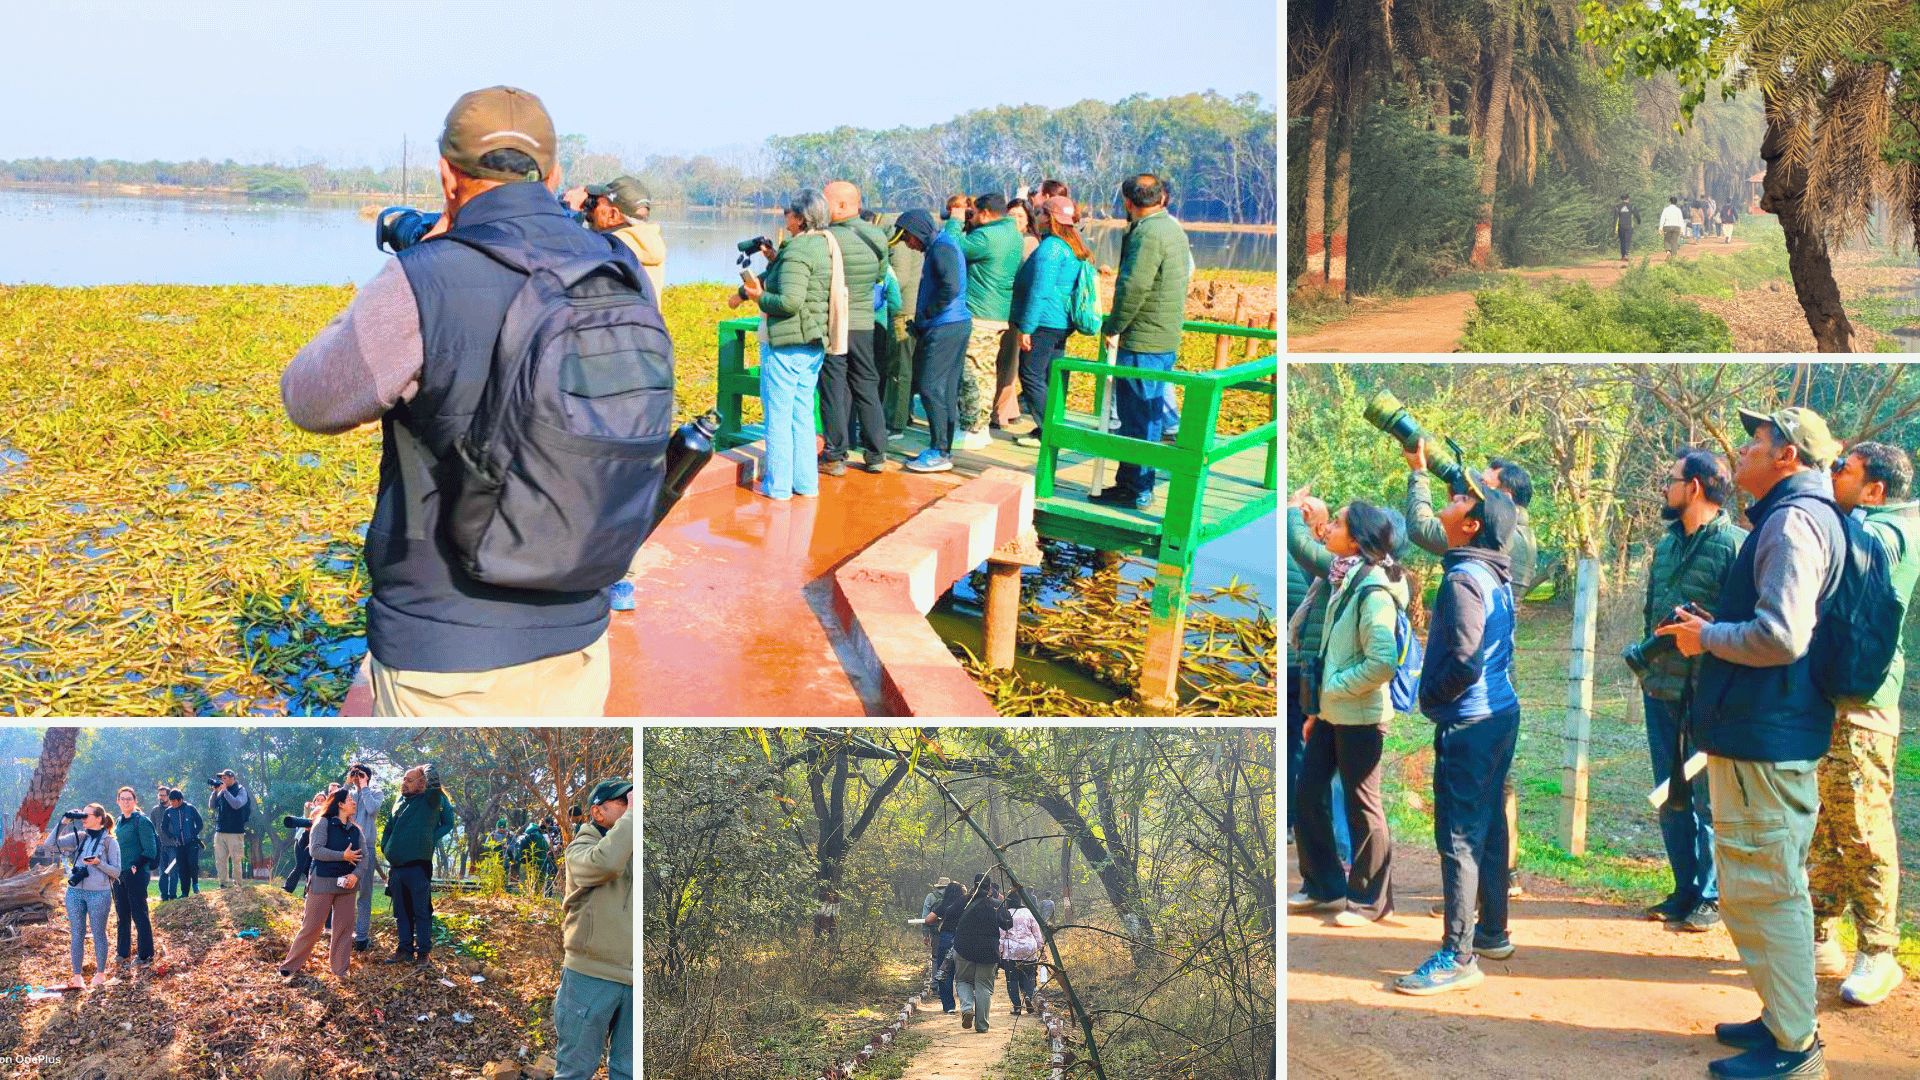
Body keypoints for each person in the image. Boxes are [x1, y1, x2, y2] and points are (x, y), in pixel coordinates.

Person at [281, 86, 653, 718]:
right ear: (553, 177)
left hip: (447, 655)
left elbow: (310, 398)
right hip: (579, 638)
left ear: (447, 177)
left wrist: (407, 266)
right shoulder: (619, 266)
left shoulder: (424, 275)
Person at [1657, 406, 1845, 1080]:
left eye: (1754, 441)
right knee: (1758, 885)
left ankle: (1796, 1048)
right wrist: (1717, 625)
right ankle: (1779, 1017)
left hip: (1767, 736)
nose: (1739, 451)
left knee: (1768, 890)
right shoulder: (1799, 516)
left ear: (1787, 455)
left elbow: (1783, 636)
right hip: (1766, 729)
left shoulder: (1792, 522)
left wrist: (1705, 637)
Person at [1394, 475, 1520, 996]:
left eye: (1462, 499)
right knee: (1488, 825)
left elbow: (1465, 661)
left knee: (1459, 838)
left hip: (1470, 723)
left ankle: (1458, 955)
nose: (1452, 499)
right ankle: (1492, 932)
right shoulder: (1494, 572)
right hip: (1500, 715)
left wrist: (1431, 696)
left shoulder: (1464, 578)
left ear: (1471, 526)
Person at [1811, 440, 1918, 1006]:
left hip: (1864, 708)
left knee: (1861, 827)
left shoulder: (1891, 530)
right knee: (1823, 825)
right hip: (1832, 699)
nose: (1831, 475)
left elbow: (1853, 550)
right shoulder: (1865, 521)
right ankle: (1821, 936)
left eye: (1841, 469)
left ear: (1874, 489)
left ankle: (1879, 952)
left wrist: (1809, 494)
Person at [1405, 445, 1535, 902]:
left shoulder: (1476, 563)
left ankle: (1472, 898)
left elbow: (1423, 529)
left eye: (1483, 486)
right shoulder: (1513, 535)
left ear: (1502, 500)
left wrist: (1419, 475)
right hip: (1496, 674)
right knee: (1495, 791)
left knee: (1469, 811)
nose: (1471, 487)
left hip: (1477, 683)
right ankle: (1495, 892)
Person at [1626, 449, 1745, 933]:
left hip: (1710, 696)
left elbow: (1745, 627)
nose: (1664, 487)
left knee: (1707, 801)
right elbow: (1651, 613)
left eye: (1671, 479)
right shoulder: (1665, 546)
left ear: (1694, 487)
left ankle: (1713, 897)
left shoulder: (1738, 546)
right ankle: (1684, 890)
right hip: (1660, 690)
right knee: (1670, 795)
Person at [1285, 498, 1403, 926]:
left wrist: (1335, 687)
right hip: (1333, 713)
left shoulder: (1372, 590)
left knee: (1362, 804)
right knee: (1307, 792)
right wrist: (1320, 708)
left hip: (1361, 716)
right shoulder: (1342, 579)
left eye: (1336, 523)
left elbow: (1382, 662)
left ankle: (1370, 900)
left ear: (1356, 541)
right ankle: (1324, 884)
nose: (1328, 528)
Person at [727, 190, 840, 500]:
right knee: (801, 417)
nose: (785, 217)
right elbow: (801, 284)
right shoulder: (822, 245)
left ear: (800, 218)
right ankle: (805, 484)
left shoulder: (798, 251)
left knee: (778, 418)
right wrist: (775, 260)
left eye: (789, 213)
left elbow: (789, 302)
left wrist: (758, 297)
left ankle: (777, 487)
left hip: (787, 344)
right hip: (812, 344)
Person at [1091, 174, 1191, 511]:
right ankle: (1133, 483)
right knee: (1147, 414)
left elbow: (1133, 287)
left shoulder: (1147, 233)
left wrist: (1114, 325)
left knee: (1138, 417)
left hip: (1143, 340)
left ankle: (1137, 488)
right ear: (1161, 198)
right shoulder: (1172, 228)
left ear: (1128, 202)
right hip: (1163, 336)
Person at [556, 778, 633, 1080]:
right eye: (624, 801)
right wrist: (633, 815)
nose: (632, 806)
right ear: (598, 812)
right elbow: (607, 864)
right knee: (575, 1071)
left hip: (634, 979)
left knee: (628, 1072)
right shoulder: (581, 847)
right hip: (589, 975)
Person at [819, 181, 894, 477]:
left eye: (825, 201)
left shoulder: (826, 238)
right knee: (866, 385)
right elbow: (879, 275)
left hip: (835, 322)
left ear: (841, 206)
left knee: (834, 388)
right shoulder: (877, 235)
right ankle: (876, 454)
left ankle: (836, 455)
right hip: (864, 322)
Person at [893, 209, 970, 474]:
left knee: (929, 387)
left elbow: (952, 287)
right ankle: (943, 448)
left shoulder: (941, 248)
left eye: (908, 238)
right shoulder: (942, 244)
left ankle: (940, 451)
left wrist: (927, 313)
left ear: (918, 232)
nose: (908, 245)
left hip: (946, 326)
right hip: (953, 325)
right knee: (946, 390)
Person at [1011, 196, 1089, 449]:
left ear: (1048, 217)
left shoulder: (1052, 247)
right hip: (1061, 322)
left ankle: (1052, 431)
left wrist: (1027, 327)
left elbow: (1040, 291)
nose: (1038, 217)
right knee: (1049, 377)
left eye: (1041, 213)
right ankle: (1049, 428)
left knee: (1030, 374)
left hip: (1045, 321)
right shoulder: (1072, 244)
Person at [955, 193, 1025, 450]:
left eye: (973, 213)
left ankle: (971, 429)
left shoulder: (986, 236)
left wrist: (955, 220)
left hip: (980, 314)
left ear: (985, 214)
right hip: (997, 314)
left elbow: (953, 247)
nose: (971, 217)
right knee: (985, 372)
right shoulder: (1013, 234)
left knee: (972, 373)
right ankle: (980, 427)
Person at [278, 788, 365, 980]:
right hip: (322, 883)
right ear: (340, 804)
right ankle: (289, 967)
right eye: (350, 799)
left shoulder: (356, 830)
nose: (354, 802)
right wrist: (342, 856)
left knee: (344, 929)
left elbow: (364, 857)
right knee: (311, 926)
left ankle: (340, 971)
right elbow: (315, 851)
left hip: (347, 886)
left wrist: (356, 875)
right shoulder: (322, 823)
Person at [380, 764, 457, 966]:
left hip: (418, 866)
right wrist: (385, 847)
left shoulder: (431, 799)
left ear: (422, 783)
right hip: (396, 867)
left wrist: (430, 837)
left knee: (421, 911)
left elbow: (448, 822)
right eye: (403, 779)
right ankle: (404, 949)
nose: (403, 783)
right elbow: (389, 827)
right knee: (401, 912)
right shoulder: (399, 801)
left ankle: (423, 952)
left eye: (409, 780)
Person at [53, 804, 120, 990]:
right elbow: (51, 843)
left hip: (99, 893)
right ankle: (77, 976)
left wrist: (99, 863)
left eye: (86, 815)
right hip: (74, 892)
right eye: (81, 814)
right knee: (77, 934)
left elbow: (116, 871)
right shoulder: (80, 837)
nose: (82, 818)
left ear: (99, 818)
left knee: (99, 933)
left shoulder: (110, 842)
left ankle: (100, 973)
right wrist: (64, 822)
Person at [941, 874, 1012, 1032]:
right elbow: (1008, 924)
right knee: (984, 986)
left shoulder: (963, 901)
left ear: (974, 885)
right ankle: (982, 1025)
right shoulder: (996, 904)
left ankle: (967, 1009)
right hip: (988, 950)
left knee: (963, 981)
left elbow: (948, 915)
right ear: (990, 888)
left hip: (963, 948)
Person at [580, 177, 666, 300]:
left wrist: (570, 214)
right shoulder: (651, 242)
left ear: (612, 215)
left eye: (595, 204)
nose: (591, 210)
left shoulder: (609, 247)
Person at [878, 210, 923, 438]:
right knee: (902, 367)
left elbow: (900, 279)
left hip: (903, 314)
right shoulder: (900, 239)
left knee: (899, 368)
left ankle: (896, 423)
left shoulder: (897, 243)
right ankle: (903, 413)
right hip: (907, 311)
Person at [110, 786, 157, 975]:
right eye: (122, 798)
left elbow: (150, 850)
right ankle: (123, 953)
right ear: (118, 801)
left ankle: (145, 954)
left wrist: (135, 866)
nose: (126, 802)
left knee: (139, 914)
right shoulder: (119, 822)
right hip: (118, 875)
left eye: (129, 798)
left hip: (136, 874)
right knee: (122, 915)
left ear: (135, 801)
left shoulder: (142, 821)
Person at [344, 763, 382, 952]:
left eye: (360, 774)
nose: (357, 777)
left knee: (364, 894)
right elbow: (334, 805)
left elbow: (372, 810)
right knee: (344, 891)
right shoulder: (349, 795)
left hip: (367, 847)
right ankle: (343, 933)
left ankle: (361, 937)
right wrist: (347, 782)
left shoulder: (375, 793)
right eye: (355, 774)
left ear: (367, 776)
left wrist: (364, 787)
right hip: (346, 848)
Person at [922, 879, 965, 1013]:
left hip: (946, 938)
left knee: (945, 971)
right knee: (963, 973)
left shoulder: (945, 905)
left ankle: (949, 1006)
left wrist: (939, 920)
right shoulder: (966, 904)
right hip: (963, 938)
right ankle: (966, 1005)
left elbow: (928, 919)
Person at [998, 891, 1044, 1016]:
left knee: (1012, 979)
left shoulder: (1005, 914)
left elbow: (1002, 935)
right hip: (1029, 949)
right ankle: (1028, 996)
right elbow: (1037, 933)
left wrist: (999, 950)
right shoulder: (1029, 912)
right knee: (1030, 975)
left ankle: (1017, 1007)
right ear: (1021, 900)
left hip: (1011, 950)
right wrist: (1042, 949)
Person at [208, 769, 249, 888]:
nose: (223, 781)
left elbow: (236, 804)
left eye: (225, 778)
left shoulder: (241, 790)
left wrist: (225, 791)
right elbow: (211, 806)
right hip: (220, 831)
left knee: (236, 860)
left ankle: (237, 885)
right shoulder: (221, 791)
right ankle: (223, 884)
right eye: (222, 778)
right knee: (220, 860)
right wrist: (215, 792)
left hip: (235, 832)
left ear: (232, 779)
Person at [162, 790, 202, 898]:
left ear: (180, 800)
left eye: (174, 801)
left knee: (193, 864)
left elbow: (200, 823)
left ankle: (195, 885)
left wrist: (193, 834)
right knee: (182, 869)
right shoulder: (169, 811)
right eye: (170, 801)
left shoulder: (190, 808)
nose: (172, 803)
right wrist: (172, 836)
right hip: (179, 845)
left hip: (191, 843)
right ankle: (185, 893)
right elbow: (163, 826)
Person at [920, 875, 950, 982]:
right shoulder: (954, 897)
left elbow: (925, 917)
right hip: (951, 933)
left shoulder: (931, 897)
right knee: (950, 958)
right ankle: (948, 982)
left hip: (936, 932)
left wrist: (925, 934)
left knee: (936, 958)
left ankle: (935, 984)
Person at [155, 785, 182, 903]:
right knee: (163, 872)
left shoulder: (176, 810)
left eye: (163, 795)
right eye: (159, 795)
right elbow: (152, 828)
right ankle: (164, 895)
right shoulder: (155, 811)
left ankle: (173, 895)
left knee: (173, 871)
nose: (161, 797)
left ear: (169, 796)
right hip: (161, 846)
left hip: (174, 846)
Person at [1613, 195, 1640, 266]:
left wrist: (1615, 229)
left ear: (1621, 199)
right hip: (1629, 227)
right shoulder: (1632, 206)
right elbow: (1637, 215)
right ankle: (1626, 255)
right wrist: (1639, 221)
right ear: (1628, 199)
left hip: (1620, 227)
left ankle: (1623, 255)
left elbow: (1615, 218)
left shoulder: (1617, 207)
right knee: (1627, 241)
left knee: (1622, 241)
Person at [1660, 196, 1685, 261]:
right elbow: (1681, 220)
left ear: (1670, 202)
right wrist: (1682, 230)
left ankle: (1668, 251)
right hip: (1676, 227)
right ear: (1676, 202)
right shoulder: (1678, 210)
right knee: (1674, 242)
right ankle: (1673, 257)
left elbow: (1662, 219)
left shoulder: (1666, 209)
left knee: (1666, 240)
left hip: (1667, 227)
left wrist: (1660, 228)